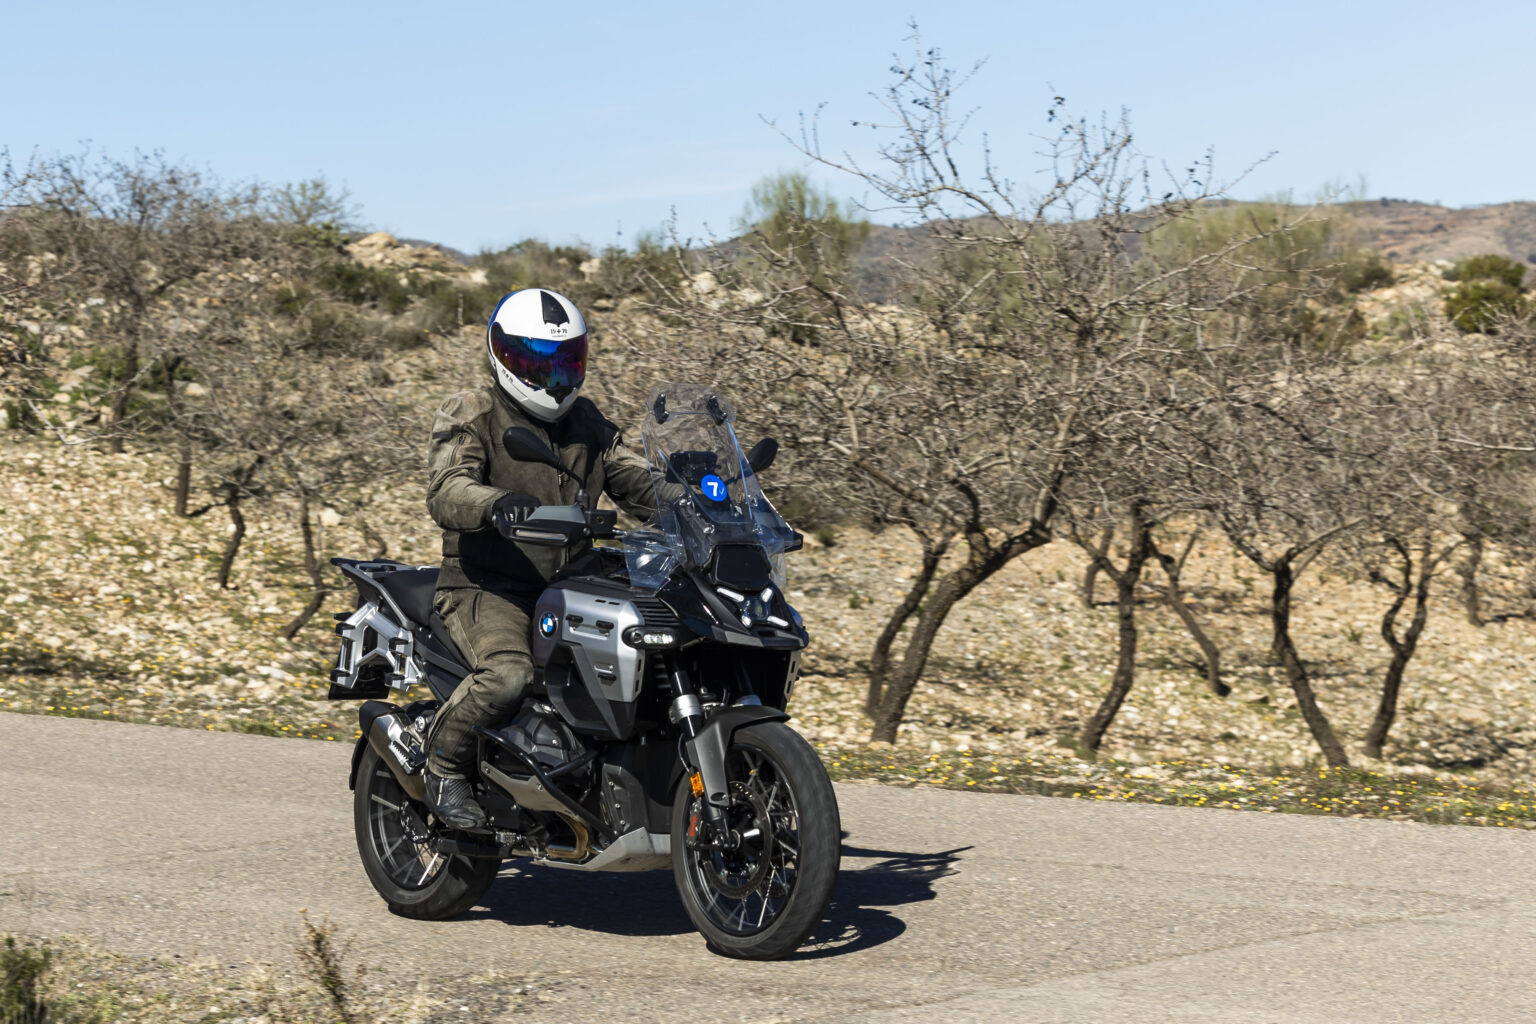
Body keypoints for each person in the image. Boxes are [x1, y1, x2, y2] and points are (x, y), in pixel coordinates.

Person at [423, 288, 655, 828]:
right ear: (503, 355)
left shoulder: (586, 421)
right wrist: (495, 504)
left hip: (574, 582)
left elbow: (632, 476)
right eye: (538, 362)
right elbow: (447, 487)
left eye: (565, 361)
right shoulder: (473, 412)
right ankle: (444, 766)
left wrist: (695, 494)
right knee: (508, 675)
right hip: (487, 586)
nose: (554, 376)